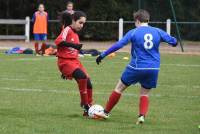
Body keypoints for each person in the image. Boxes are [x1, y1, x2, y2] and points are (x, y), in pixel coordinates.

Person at [95, 9, 178, 124]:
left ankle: (105, 112)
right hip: (153, 68)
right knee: (144, 93)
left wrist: (103, 54)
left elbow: (119, 45)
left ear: (137, 20)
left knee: (119, 88)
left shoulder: (134, 32)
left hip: (136, 67)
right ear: (147, 20)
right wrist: (174, 41)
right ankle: (141, 116)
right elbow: (174, 42)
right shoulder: (158, 31)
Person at [54, 11, 93, 116]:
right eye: (80, 22)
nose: (82, 25)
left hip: (74, 62)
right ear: (73, 21)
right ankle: (85, 104)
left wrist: (79, 50)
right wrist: (75, 46)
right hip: (65, 62)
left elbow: (70, 49)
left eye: (83, 23)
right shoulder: (67, 29)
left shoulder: (75, 33)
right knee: (82, 77)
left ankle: (88, 110)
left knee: (89, 83)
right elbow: (58, 41)